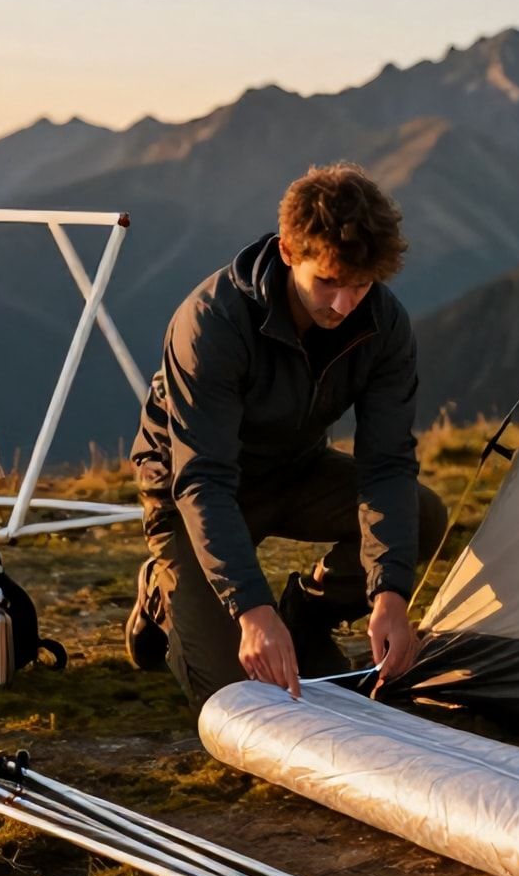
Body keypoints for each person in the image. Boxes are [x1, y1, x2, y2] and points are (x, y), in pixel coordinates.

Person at [124, 162, 446, 710]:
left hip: (296, 471)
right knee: (242, 698)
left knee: (423, 514)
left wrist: (390, 593)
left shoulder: (383, 324)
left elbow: (387, 464)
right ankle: (163, 591)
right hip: (191, 492)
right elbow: (202, 479)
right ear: (289, 253)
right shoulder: (211, 324)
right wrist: (252, 610)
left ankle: (304, 613)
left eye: (362, 285)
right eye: (328, 282)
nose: (345, 305)